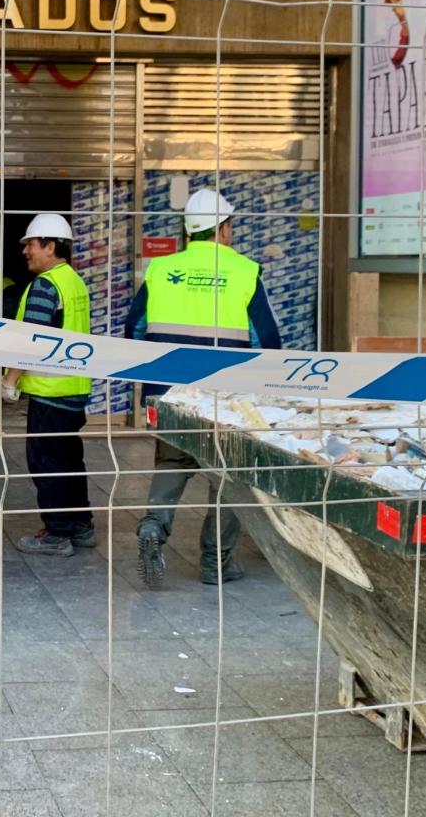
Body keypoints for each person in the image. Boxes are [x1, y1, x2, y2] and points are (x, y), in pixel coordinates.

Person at [124, 188, 283, 588]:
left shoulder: (160, 270)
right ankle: (216, 562)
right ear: (225, 229)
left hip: (168, 393)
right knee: (227, 474)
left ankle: (154, 528)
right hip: (224, 397)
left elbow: (133, 329)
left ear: (188, 231)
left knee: (172, 463)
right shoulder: (245, 271)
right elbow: (268, 341)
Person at [2, 214, 95, 557]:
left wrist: (11, 380)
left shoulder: (45, 286)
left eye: (31, 243)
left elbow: (31, 341)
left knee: (47, 462)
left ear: (51, 246)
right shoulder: (74, 282)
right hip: (73, 390)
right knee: (71, 459)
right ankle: (81, 524)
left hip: (49, 392)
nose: (25, 250)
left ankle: (57, 533)